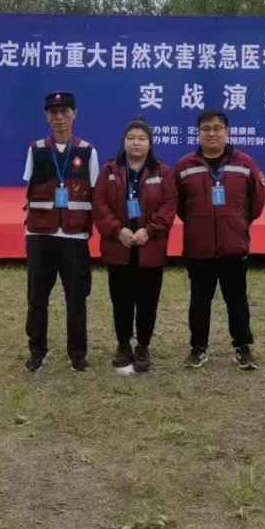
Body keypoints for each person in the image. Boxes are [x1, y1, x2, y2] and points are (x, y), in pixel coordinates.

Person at [175, 109, 265, 370]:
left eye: (217, 128)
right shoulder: (185, 167)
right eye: (206, 129)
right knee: (199, 301)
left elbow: (257, 202)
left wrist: (238, 223)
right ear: (198, 133)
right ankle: (198, 348)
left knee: (237, 299)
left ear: (227, 132)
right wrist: (198, 224)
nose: (212, 133)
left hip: (233, 245)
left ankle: (243, 347)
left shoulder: (245, 163)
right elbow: (180, 207)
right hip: (199, 248)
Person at [92, 118, 177, 373]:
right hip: (119, 248)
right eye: (131, 138)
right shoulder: (109, 171)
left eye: (141, 138)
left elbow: (169, 206)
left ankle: (143, 346)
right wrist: (117, 230)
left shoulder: (163, 172)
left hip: (150, 248)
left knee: (148, 300)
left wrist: (148, 230)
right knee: (121, 299)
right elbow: (99, 204)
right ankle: (123, 345)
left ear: (150, 143)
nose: (136, 143)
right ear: (124, 142)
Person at [22, 91, 99, 372]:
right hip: (40, 235)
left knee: (77, 298)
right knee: (37, 298)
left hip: (75, 237)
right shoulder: (36, 149)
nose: (59, 117)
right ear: (47, 116)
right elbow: (28, 189)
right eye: (53, 112)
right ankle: (37, 351)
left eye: (65, 111)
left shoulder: (88, 151)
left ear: (74, 114)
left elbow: (96, 192)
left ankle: (77, 353)